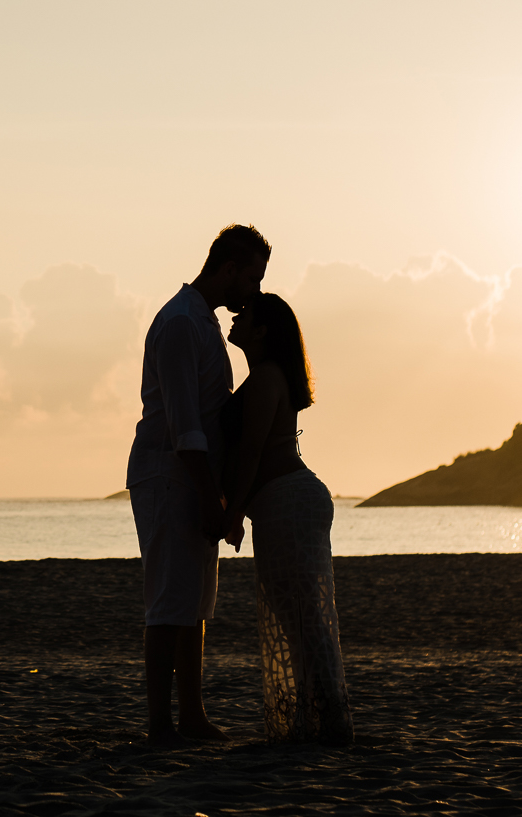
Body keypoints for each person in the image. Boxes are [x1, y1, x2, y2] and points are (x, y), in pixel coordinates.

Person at [125, 223, 270, 743]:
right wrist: (212, 496)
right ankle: (162, 722)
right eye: (251, 278)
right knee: (169, 600)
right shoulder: (183, 323)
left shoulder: (202, 322)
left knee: (195, 602)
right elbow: (184, 424)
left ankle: (191, 713)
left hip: (192, 474)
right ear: (228, 270)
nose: (253, 291)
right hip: (171, 473)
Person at [221, 293, 355, 745]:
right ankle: (317, 716)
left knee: (303, 617)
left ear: (262, 332)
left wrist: (233, 512)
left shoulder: (265, 380)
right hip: (290, 501)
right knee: (300, 616)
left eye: (246, 315)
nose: (235, 318)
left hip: (287, 503)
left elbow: (252, 454)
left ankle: (324, 719)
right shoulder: (267, 377)